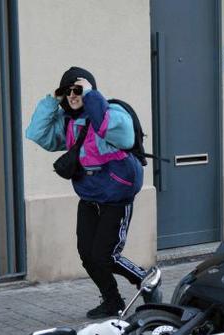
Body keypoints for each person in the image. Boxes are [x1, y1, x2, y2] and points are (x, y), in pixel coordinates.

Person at [25, 67, 159, 319]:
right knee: (88, 256)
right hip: (89, 197)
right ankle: (112, 301)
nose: (72, 95)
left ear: (89, 90)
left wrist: (91, 95)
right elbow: (37, 133)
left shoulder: (112, 112)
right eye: (66, 91)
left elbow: (121, 135)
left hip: (116, 196)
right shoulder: (68, 121)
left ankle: (146, 279)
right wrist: (52, 100)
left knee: (105, 256)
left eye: (77, 90)